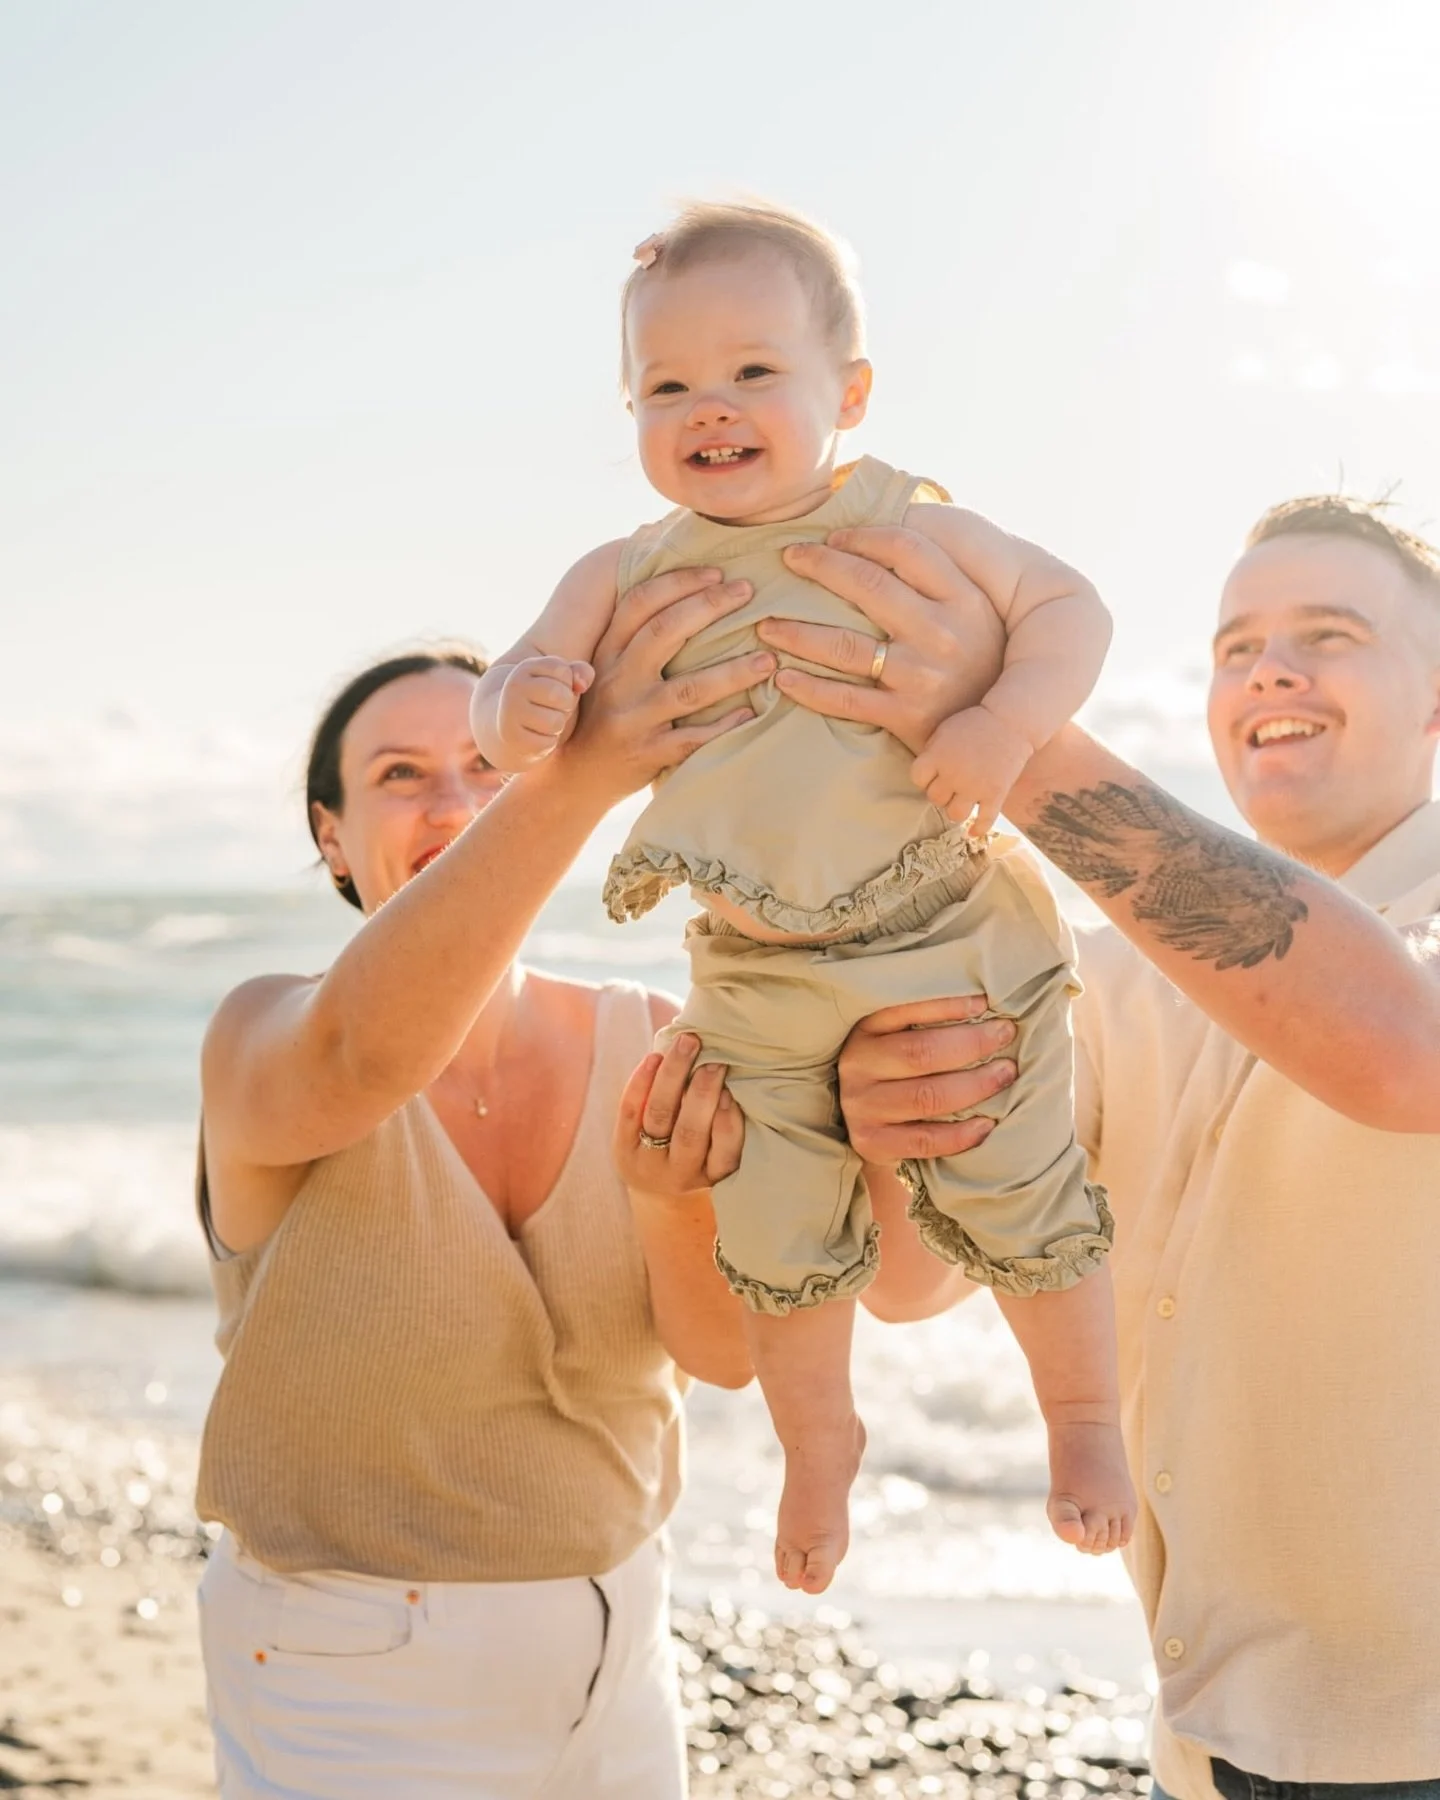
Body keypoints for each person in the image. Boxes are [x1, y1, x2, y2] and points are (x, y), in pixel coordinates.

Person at [189, 601, 1023, 1800]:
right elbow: (363, 1059)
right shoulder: (262, 1038)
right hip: (341, 1667)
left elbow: (728, 1355)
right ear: (332, 835)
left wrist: (670, 1207)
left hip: (621, 1648)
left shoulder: (658, 1034)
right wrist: (573, 779)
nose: (454, 803)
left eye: (488, 767)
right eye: (400, 776)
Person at [471, 200, 1133, 1598]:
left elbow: (1074, 608)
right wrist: (519, 703)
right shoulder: (623, 572)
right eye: (667, 386)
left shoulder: (912, 526)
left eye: (753, 371)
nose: (708, 406)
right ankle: (817, 1444)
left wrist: (1007, 723)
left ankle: (1083, 1424)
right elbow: (506, 692)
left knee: (1019, 1180)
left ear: (853, 392)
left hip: (946, 931)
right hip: (759, 972)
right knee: (777, 1228)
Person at [772, 500, 1440, 1799]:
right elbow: (916, 1282)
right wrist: (884, 1126)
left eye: (1328, 635)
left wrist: (1008, 733)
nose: (1269, 670)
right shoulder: (1104, 980)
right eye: (1235, 646)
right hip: (1202, 1728)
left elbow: (1398, 1051)